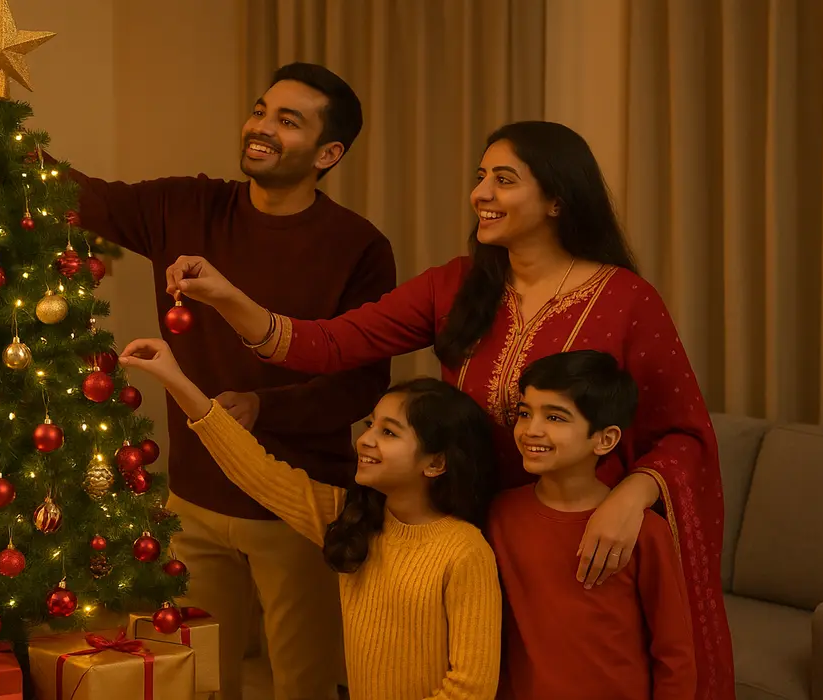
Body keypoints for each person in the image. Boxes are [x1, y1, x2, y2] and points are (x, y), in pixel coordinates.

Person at [156, 121, 736, 699]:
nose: (480, 193)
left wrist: (629, 501)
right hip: (471, 531)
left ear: (559, 198)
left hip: (579, 547)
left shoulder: (626, 301)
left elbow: (683, 432)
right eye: (480, 177)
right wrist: (227, 298)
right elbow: (328, 344)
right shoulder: (456, 286)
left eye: (503, 180)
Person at [0, 64, 396, 700]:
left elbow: (361, 385)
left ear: (329, 153)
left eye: (287, 121)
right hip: (194, 500)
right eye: (261, 110)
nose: (262, 127)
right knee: (199, 681)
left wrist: (261, 407)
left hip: (299, 506)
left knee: (305, 682)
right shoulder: (186, 206)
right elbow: (85, 196)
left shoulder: (358, 247)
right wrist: (1, 132)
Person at [119, 337, 502, 700]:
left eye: (389, 432)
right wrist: (175, 378)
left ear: (436, 463)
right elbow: (254, 470)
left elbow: (470, 687)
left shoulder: (464, 551)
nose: (366, 439)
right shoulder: (350, 518)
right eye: (370, 425)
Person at [491, 350, 696, 699]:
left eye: (555, 418)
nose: (531, 430)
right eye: (525, 413)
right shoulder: (500, 514)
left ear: (605, 439)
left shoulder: (644, 531)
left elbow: (674, 654)